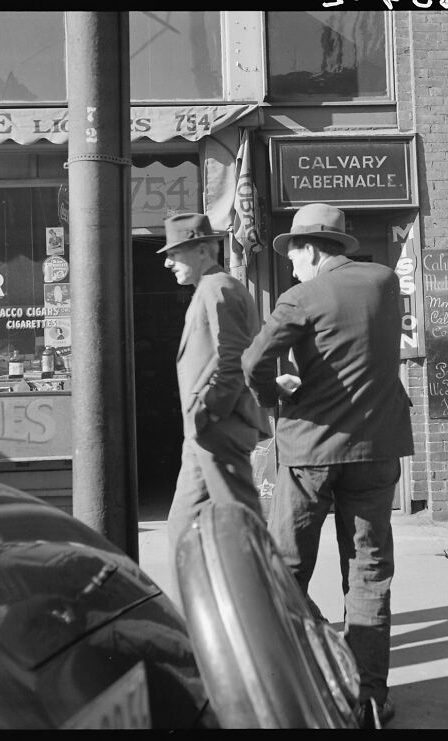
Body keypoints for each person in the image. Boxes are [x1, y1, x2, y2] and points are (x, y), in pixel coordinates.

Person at [241, 203, 414, 728]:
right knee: (368, 569)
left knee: (288, 570)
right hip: (376, 448)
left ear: (313, 249)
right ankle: (368, 700)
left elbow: (254, 362)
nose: (291, 264)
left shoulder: (302, 295)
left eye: (293, 253)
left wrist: (278, 392)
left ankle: (300, 682)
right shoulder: (385, 282)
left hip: (310, 450)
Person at [158, 213, 271, 599]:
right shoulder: (212, 287)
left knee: (242, 527)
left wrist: (208, 410)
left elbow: (234, 357)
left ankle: (272, 614)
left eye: (176, 253)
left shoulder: (217, 287)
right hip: (206, 432)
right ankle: (203, 619)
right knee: (183, 526)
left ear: (204, 250)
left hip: (216, 427)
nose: (168, 261)